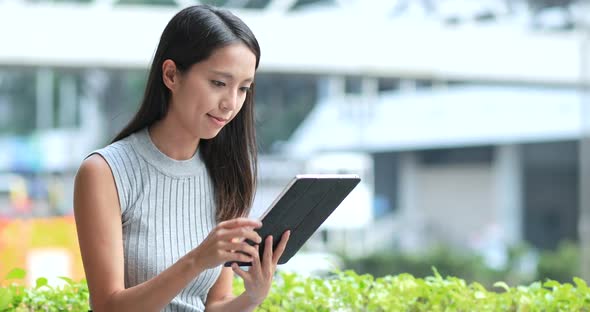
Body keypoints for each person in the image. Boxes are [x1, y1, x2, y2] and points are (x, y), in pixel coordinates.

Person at [73, 5, 290, 312]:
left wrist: (252, 297)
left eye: (243, 89)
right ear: (171, 75)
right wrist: (197, 260)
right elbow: (108, 307)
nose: (231, 104)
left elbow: (214, 304)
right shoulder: (104, 173)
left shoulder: (225, 173)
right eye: (218, 83)